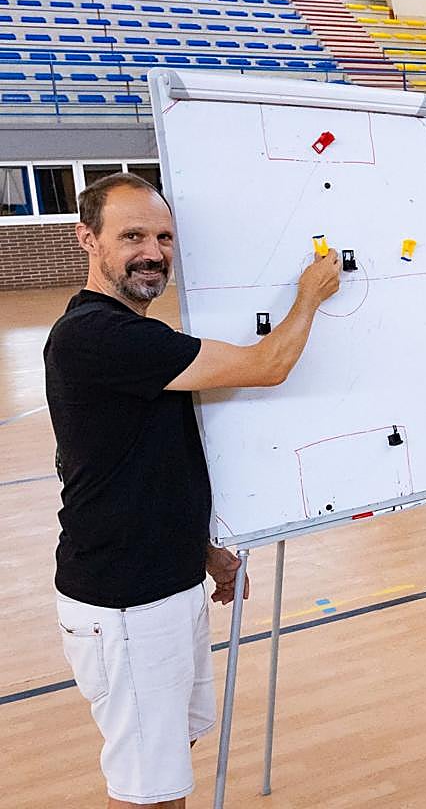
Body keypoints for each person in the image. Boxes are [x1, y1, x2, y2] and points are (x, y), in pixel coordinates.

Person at [45, 172, 341, 808]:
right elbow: (267, 365)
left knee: (165, 768)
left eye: (163, 237)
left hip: (164, 582)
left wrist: (202, 550)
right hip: (126, 602)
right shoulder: (99, 336)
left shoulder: (132, 341)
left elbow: (147, 464)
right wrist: (311, 295)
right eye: (132, 236)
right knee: (147, 790)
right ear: (87, 240)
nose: (153, 251)